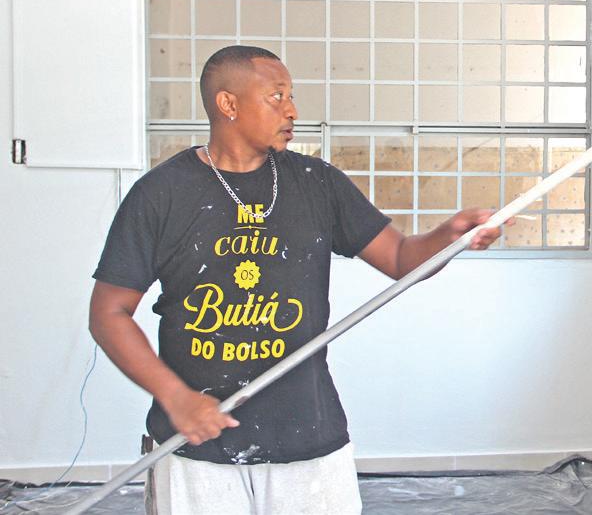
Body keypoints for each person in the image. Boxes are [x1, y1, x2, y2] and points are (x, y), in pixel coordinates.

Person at [89, 45, 504, 514]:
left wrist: (449, 236)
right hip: (196, 444)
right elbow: (108, 313)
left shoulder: (317, 183)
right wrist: (175, 398)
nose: (292, 110)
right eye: (277, 96)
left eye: (290, 96)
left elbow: (400, 257)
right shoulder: (161, 194)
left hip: (307, 435)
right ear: (228, 104)